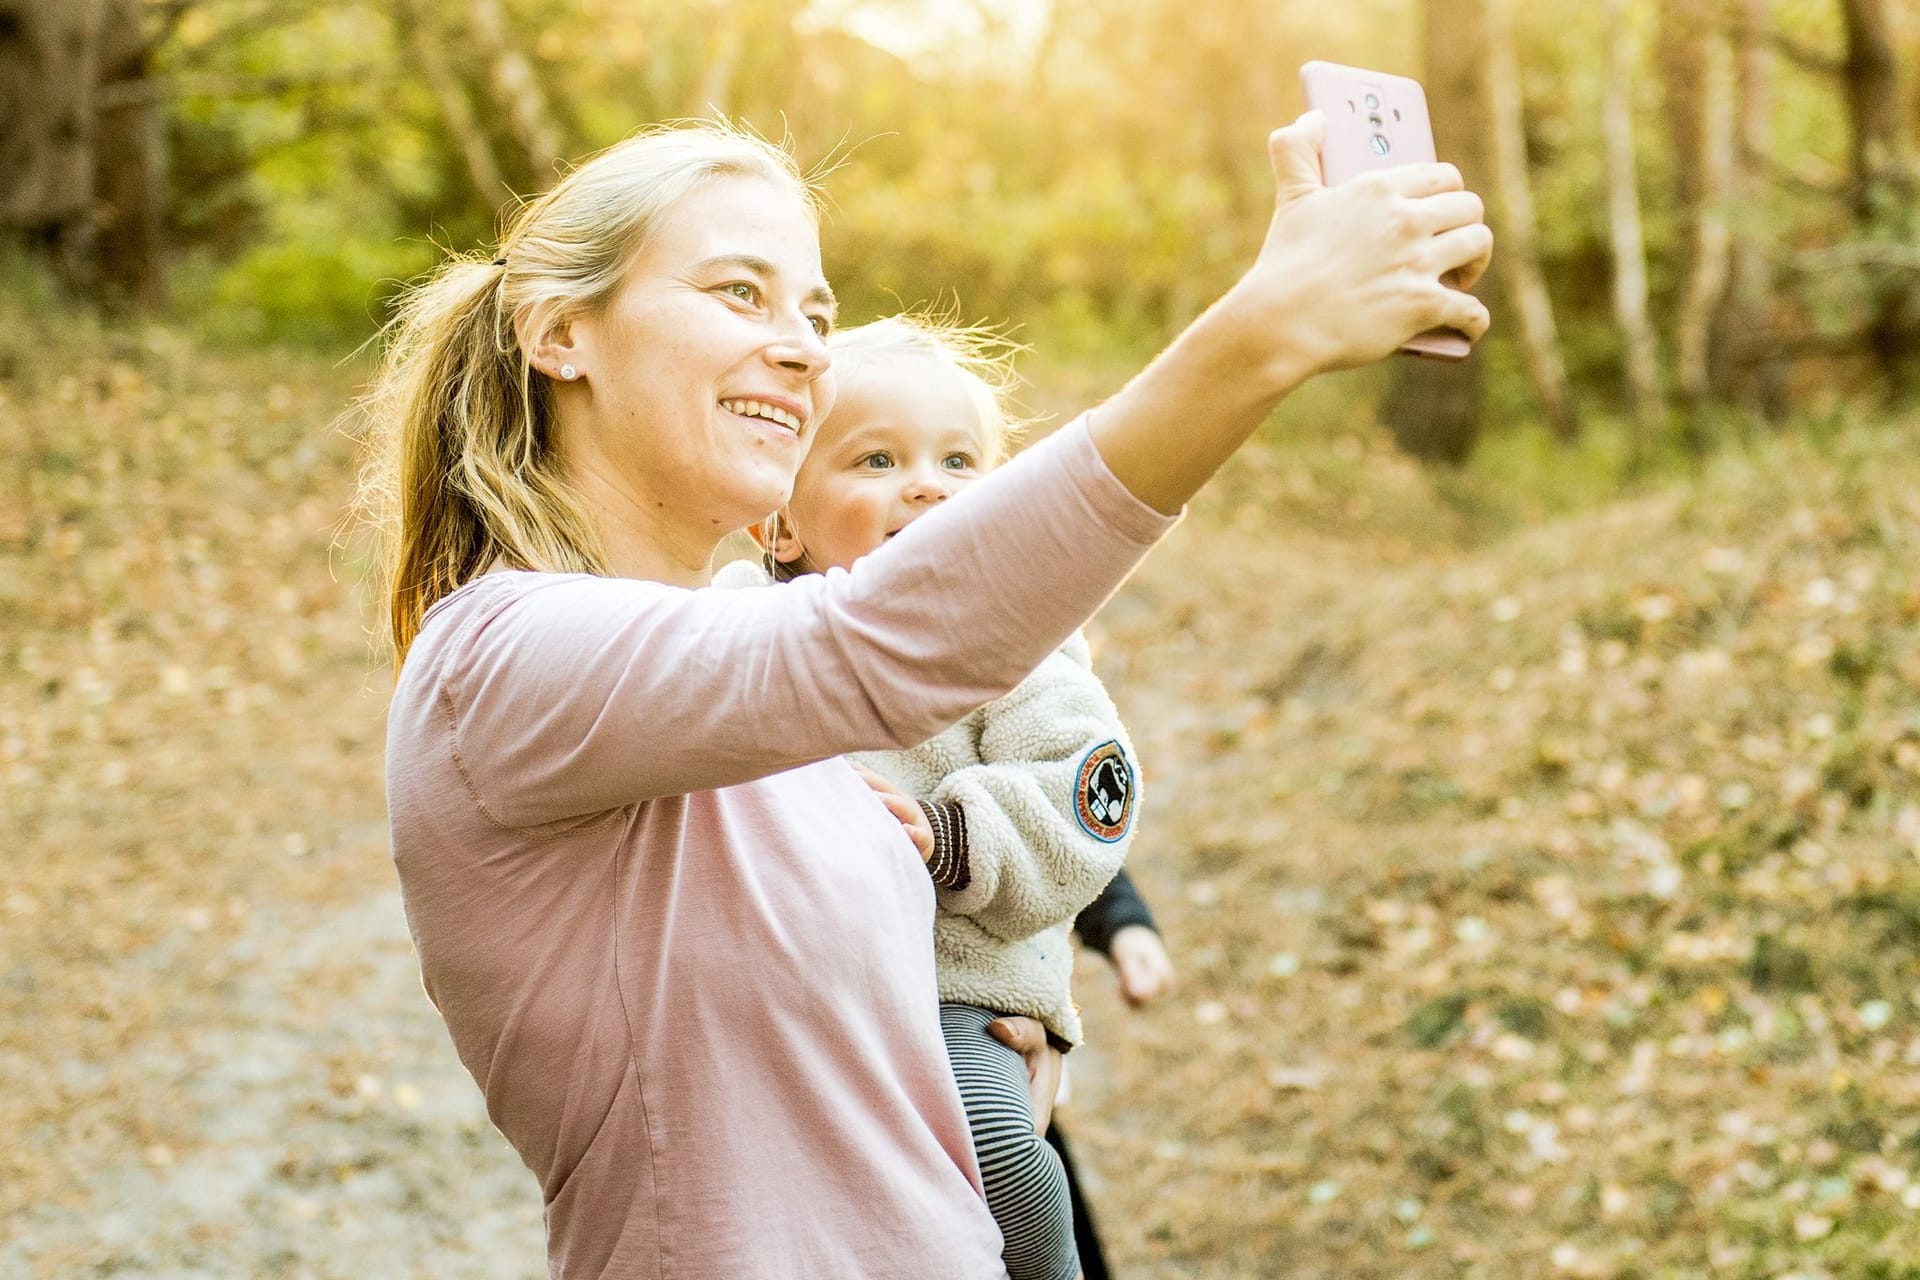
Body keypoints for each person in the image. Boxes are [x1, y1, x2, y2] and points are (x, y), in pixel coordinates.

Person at [354, 117, 1490, 1279]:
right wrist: (1265, 335)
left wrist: (1015, 1021)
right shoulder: (500, 656)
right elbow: (886, 642)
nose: (802, 350)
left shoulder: (741, 678)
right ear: (562, 333)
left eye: (816, 315)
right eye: (741, 292)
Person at [716, 313, 1141, 1280]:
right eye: (875, 460)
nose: (925, 483)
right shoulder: (740, 627)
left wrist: (954, 836)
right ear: (780, 519)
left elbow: (1087, 789)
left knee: (999, 1157)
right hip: (796, 996)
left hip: (954, 990)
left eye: (959, 461)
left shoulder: (1014, 641)